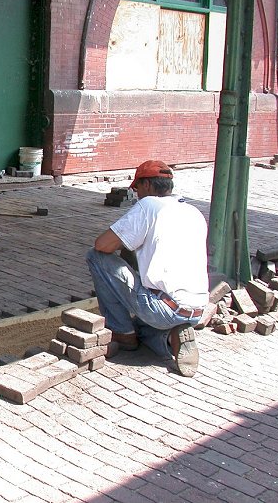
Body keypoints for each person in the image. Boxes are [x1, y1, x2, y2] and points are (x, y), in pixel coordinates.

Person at [86, 160, 208, 377]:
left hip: (163, 308)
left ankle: (122, 333)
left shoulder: (149, 205)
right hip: (196, 310)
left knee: (95, 257)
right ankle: (172, 338)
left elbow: (102, 245)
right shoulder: (193, 212)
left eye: (137, 188)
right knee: (143, 326)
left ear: (148, 186)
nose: (136, 194)